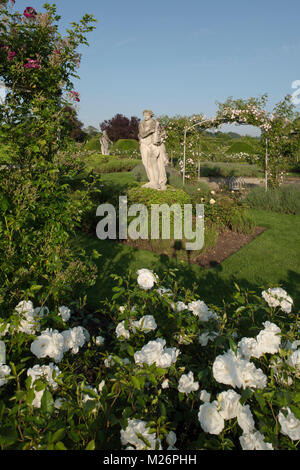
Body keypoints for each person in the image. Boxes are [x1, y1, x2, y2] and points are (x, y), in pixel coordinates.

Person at [138, 110, 168, 190]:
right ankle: (152, 180)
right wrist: (151, 131)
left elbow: (163, 132)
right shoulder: (142, 124)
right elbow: (142, 134)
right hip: (144, 144)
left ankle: (158, 181)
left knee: (156, 163)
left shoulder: (156, 123)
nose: (145, 117)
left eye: (147, 115)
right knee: (146, 163)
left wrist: (160, 138)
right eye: (144, 115)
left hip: (153, 144)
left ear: (151, 115)